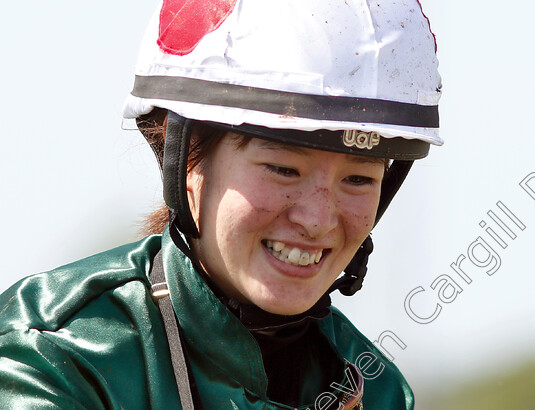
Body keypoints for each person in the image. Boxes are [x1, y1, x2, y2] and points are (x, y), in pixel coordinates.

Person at [0, 0, 441, 408]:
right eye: (283, 169)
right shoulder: (54, 356)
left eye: (359, 178)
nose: (317, 220)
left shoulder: (374, 387)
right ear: (187, 162)